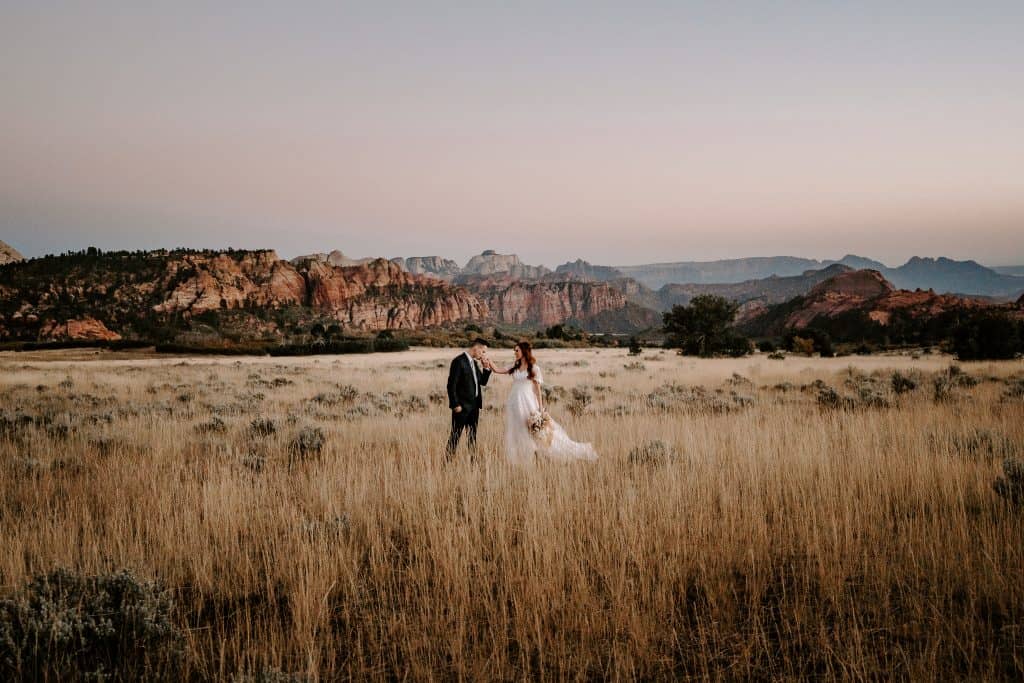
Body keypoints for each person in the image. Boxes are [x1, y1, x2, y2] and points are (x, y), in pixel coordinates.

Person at [485, 340, 598, 465]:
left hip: (528, 403)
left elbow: (538, 391)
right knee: (518, 431)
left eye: (517, 350)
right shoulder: (514, 367)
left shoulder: (534, 368)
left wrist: (540, 409)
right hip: (514, 403)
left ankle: (540, 457)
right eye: (514, 351)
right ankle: (523, 459)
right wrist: (488, 360)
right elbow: (497, 370)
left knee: (533, 432)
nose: (515, 353)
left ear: (524, 351)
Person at [445, 337, 492, 460]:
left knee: (472, 438)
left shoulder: (474, 363)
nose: (483, 355)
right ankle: (447, 464)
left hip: (474, 408)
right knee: (455, 437)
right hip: (461, 408)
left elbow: (482, 382)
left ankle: (473, 465)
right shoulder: (459, 361)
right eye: (483, 351)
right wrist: (455, 405)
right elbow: (451, 385)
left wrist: (486, 368)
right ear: (476, 348)